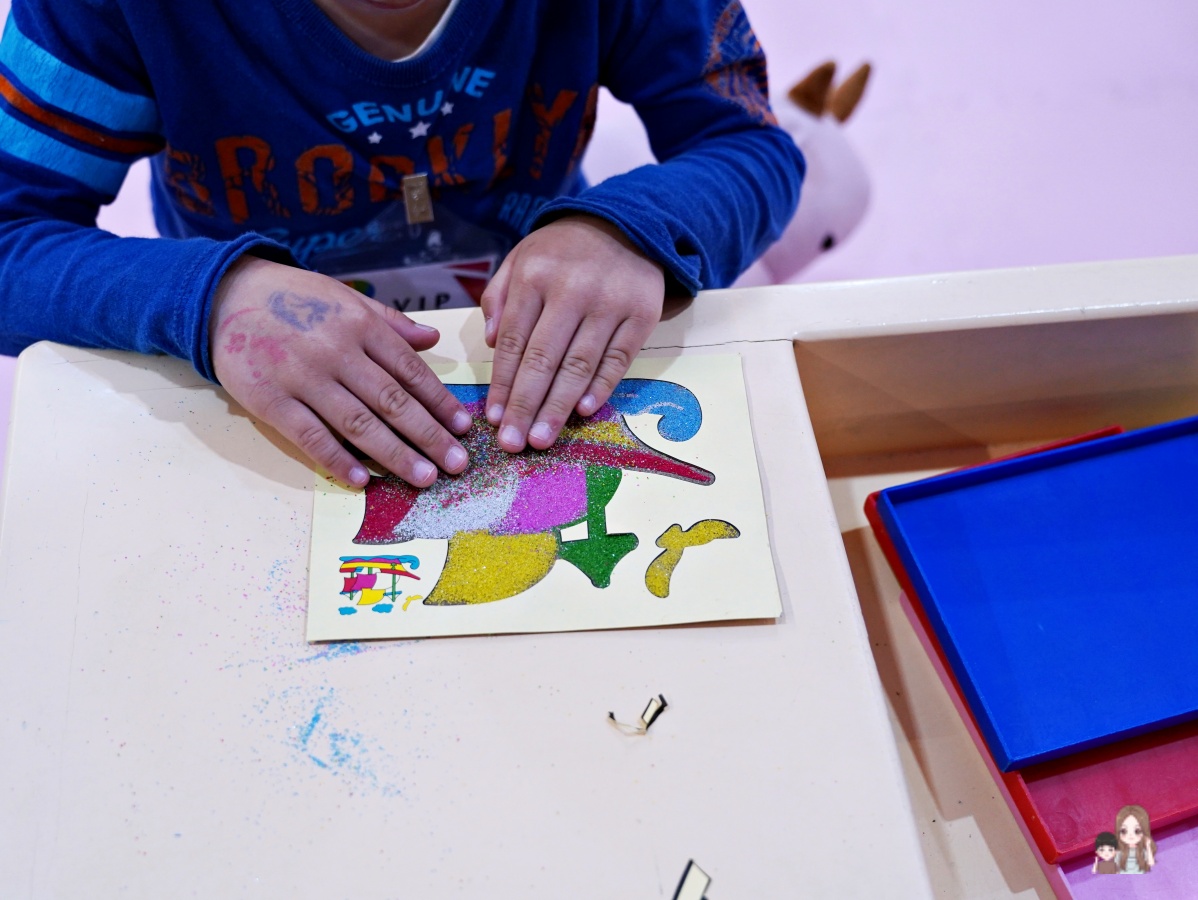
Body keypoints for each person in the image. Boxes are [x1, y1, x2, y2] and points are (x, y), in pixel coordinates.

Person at [0, 0, 802, 488]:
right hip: (251, 402)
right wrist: (210, 300)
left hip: (551, 356)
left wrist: (631, 230)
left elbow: (751, 147)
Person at [1115, 804, 1156, 874]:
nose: (1130, 835)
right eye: (1124, 831)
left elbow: (1151, 863)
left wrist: (1148, 846)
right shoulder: (1120, 852)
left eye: (1137, 831)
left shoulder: (1142, 851)